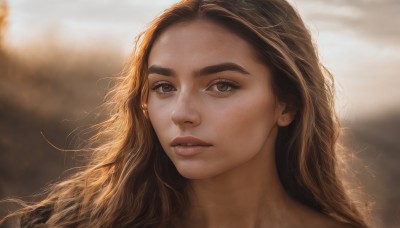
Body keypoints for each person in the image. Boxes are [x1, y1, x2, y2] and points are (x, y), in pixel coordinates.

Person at [2, 0, 368, 227]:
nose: (181, 113)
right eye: (164, 87)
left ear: (286, 103)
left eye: (222, 85)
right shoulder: (68, 225)